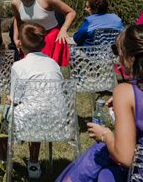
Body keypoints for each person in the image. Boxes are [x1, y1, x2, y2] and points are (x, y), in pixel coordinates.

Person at [55, 24, 143, 181]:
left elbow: (125, 156)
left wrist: (105, 135)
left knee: (99, 154)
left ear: (131, 56)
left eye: (117, 51)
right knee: (104, 172)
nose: (117, 59)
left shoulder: (125, 92)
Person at [0, 22, 63, 180]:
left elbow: (15, 100)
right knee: (37, 111)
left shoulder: (19, 66)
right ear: (43, 42)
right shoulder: (54, 64)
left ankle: (3, 159)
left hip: (31, 120)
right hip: (56, 120)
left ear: (21, 43)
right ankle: (33, 162)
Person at [12, 0, 76, 66]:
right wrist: (16, 38)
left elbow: (71, 12)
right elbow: (17, 20)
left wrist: (63, 29)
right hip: (30, 40)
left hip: (51, 39)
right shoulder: (15, 3)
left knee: (50, 71)